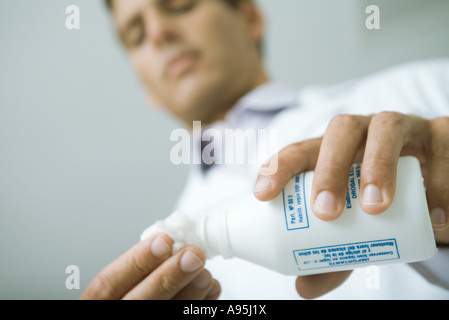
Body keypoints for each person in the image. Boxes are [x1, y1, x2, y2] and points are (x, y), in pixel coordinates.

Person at [81, 0, 449, 299]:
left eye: (180, 5)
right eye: (137, 35)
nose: (158, 34)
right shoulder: (176, 279)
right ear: (145, 87)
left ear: (250, 17)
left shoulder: (425, 87)